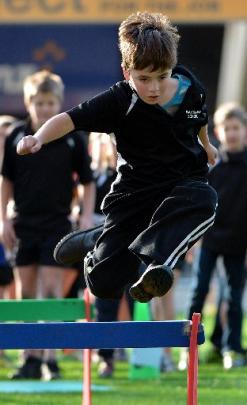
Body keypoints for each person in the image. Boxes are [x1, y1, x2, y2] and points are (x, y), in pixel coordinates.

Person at [16, 12, 218, 305]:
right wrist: (38, 138)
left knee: (206, 200)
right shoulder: (120, 101)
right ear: (127, 72)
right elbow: (69, 119)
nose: (154, 88)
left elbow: (198, 119)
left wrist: (207, 145)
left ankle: (157, 265)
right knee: (104, 284)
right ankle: (97, 239)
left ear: (172, 68)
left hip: (181, 185)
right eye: (143, 79)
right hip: (134, 196)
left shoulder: (190, 87)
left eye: (162, 77)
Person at [0, 70, 95, 379]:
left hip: (57, 224)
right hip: (23, 224)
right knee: (26, 294)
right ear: (28, 102)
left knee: (52, 293)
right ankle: (29, 357)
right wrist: (3, 220)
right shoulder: (16, 135)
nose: (44, 109)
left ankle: (50, 359)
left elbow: (88, 182)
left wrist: (84, 216)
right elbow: (6, 181)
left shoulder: (72, 137)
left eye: (50, 103)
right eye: (39, 103)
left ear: (59, 103)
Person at [186, 102, 247, 369]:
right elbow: (198, 205)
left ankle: (231, 348)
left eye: (236, 128)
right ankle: (190, 347)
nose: (232, 133)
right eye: (226, 128)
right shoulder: (211, 165)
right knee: (199, 292)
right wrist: (192, 241)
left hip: (239, 242)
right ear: (217, 133)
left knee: (234, 296)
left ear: (245, 131)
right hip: (209, 240)